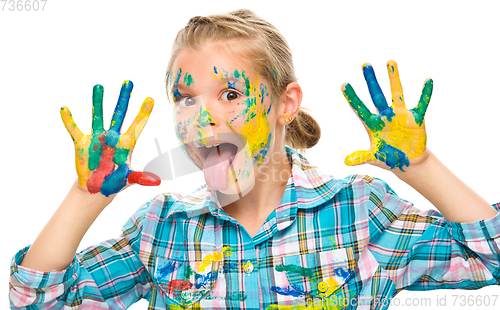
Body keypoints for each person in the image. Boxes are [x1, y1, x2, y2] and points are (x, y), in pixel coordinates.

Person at [9, 8, 500, 310]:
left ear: (286, 103)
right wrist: (85, 194)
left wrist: (420, 167)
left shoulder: (360, 210)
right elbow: (37, 301)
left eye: (228, 93)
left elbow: (490, 257)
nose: (202, 122)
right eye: (185, 99)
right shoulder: (163, 228)